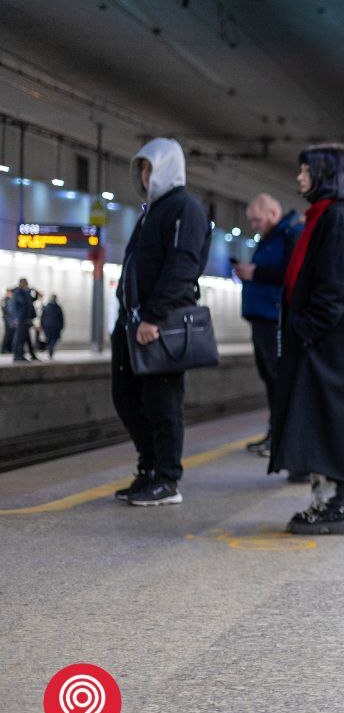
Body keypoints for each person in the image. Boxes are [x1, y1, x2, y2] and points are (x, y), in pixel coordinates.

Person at [268, 144, 344, 535]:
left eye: (305, 170)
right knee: (317, 424)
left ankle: (333, 506)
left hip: (328, 347)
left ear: (324, 174)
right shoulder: (327, 215)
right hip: (322, 345)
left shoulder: (338, 218)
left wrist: (306, 330)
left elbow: (335, 286)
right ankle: (322, 502)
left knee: (327, 424)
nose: (299, 177)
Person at [111, 138, 212, 506]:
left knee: (162, 404)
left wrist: (153, 316)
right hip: (132, 323)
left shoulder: (186, 208)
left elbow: (183, 267)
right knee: (126, 398)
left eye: (149, 167)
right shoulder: (151, 210)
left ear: (167, 167)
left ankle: (168, 479)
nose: (144, 174)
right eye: (141, 167)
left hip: (159, 325)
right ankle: (149, 469)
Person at [235, 193, 303, 456]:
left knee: (279, 379)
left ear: (273, 214)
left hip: (275, 318)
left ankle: (282, 439)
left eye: (257, 220)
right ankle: (275, 434)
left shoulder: (289, 235)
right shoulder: (271, 238)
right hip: (261, 317)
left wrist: (256, 273)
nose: (254, 226)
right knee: (270, 379)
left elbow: (290, 274)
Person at [40, 295, 64, 359]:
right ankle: (50, 348)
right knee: (54, 339)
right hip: (55, 326)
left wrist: (42, 325)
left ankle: (50, 349)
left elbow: (42, 317)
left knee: (49, 339)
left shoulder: (46, 307)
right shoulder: (58, 307)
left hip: (47, 326)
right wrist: (62, 326)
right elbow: (61, 318)